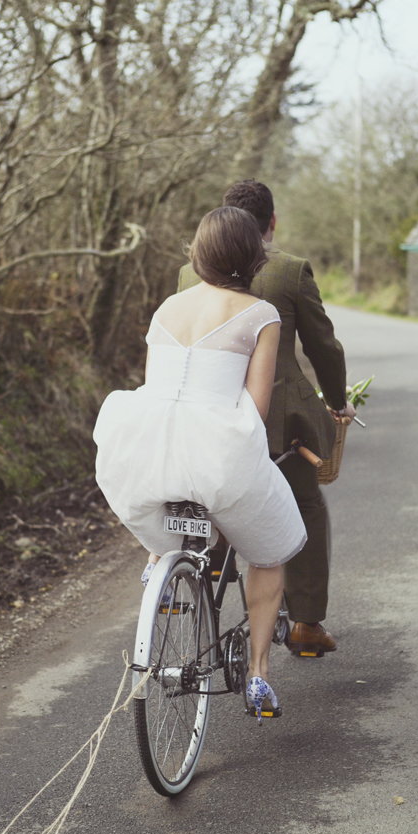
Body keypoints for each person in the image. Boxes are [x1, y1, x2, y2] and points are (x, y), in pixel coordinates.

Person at [94, 206, 307, 721]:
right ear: (251, 254)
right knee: (271, 547)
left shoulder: (166, 307)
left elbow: (156, 388)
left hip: (146, 442)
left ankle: (161, 563)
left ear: (200, 251)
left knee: (174, 497)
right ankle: (258, 674)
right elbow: (254, 409)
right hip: (216, 449)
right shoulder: (261, 315)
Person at [178, 180, 353, 656]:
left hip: (208, 411)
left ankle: (209, 565)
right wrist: (337, 401)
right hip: (280, 421)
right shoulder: (290, 271)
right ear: (270, 223)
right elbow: (323, 347)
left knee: (209, 490)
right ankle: (306, 626)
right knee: (305, 503)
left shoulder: (187, 277)